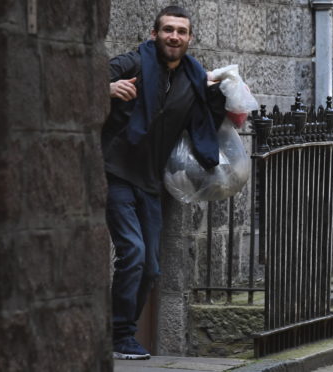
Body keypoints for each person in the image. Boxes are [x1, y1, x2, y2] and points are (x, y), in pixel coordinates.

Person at [103, 5, 226, 360]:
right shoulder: (133, 63)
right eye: (168, 30)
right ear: (154, 34)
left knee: (151, 266)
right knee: (134, 253)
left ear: (189, 39)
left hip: (150, 180)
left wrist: (221, 91)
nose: (174, 36)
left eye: (181, 31)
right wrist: (108, 88)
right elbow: (82, 79)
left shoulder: (193, 78)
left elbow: (206, 120)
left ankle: (120, 332)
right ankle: (120, 335)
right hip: (116, 171)